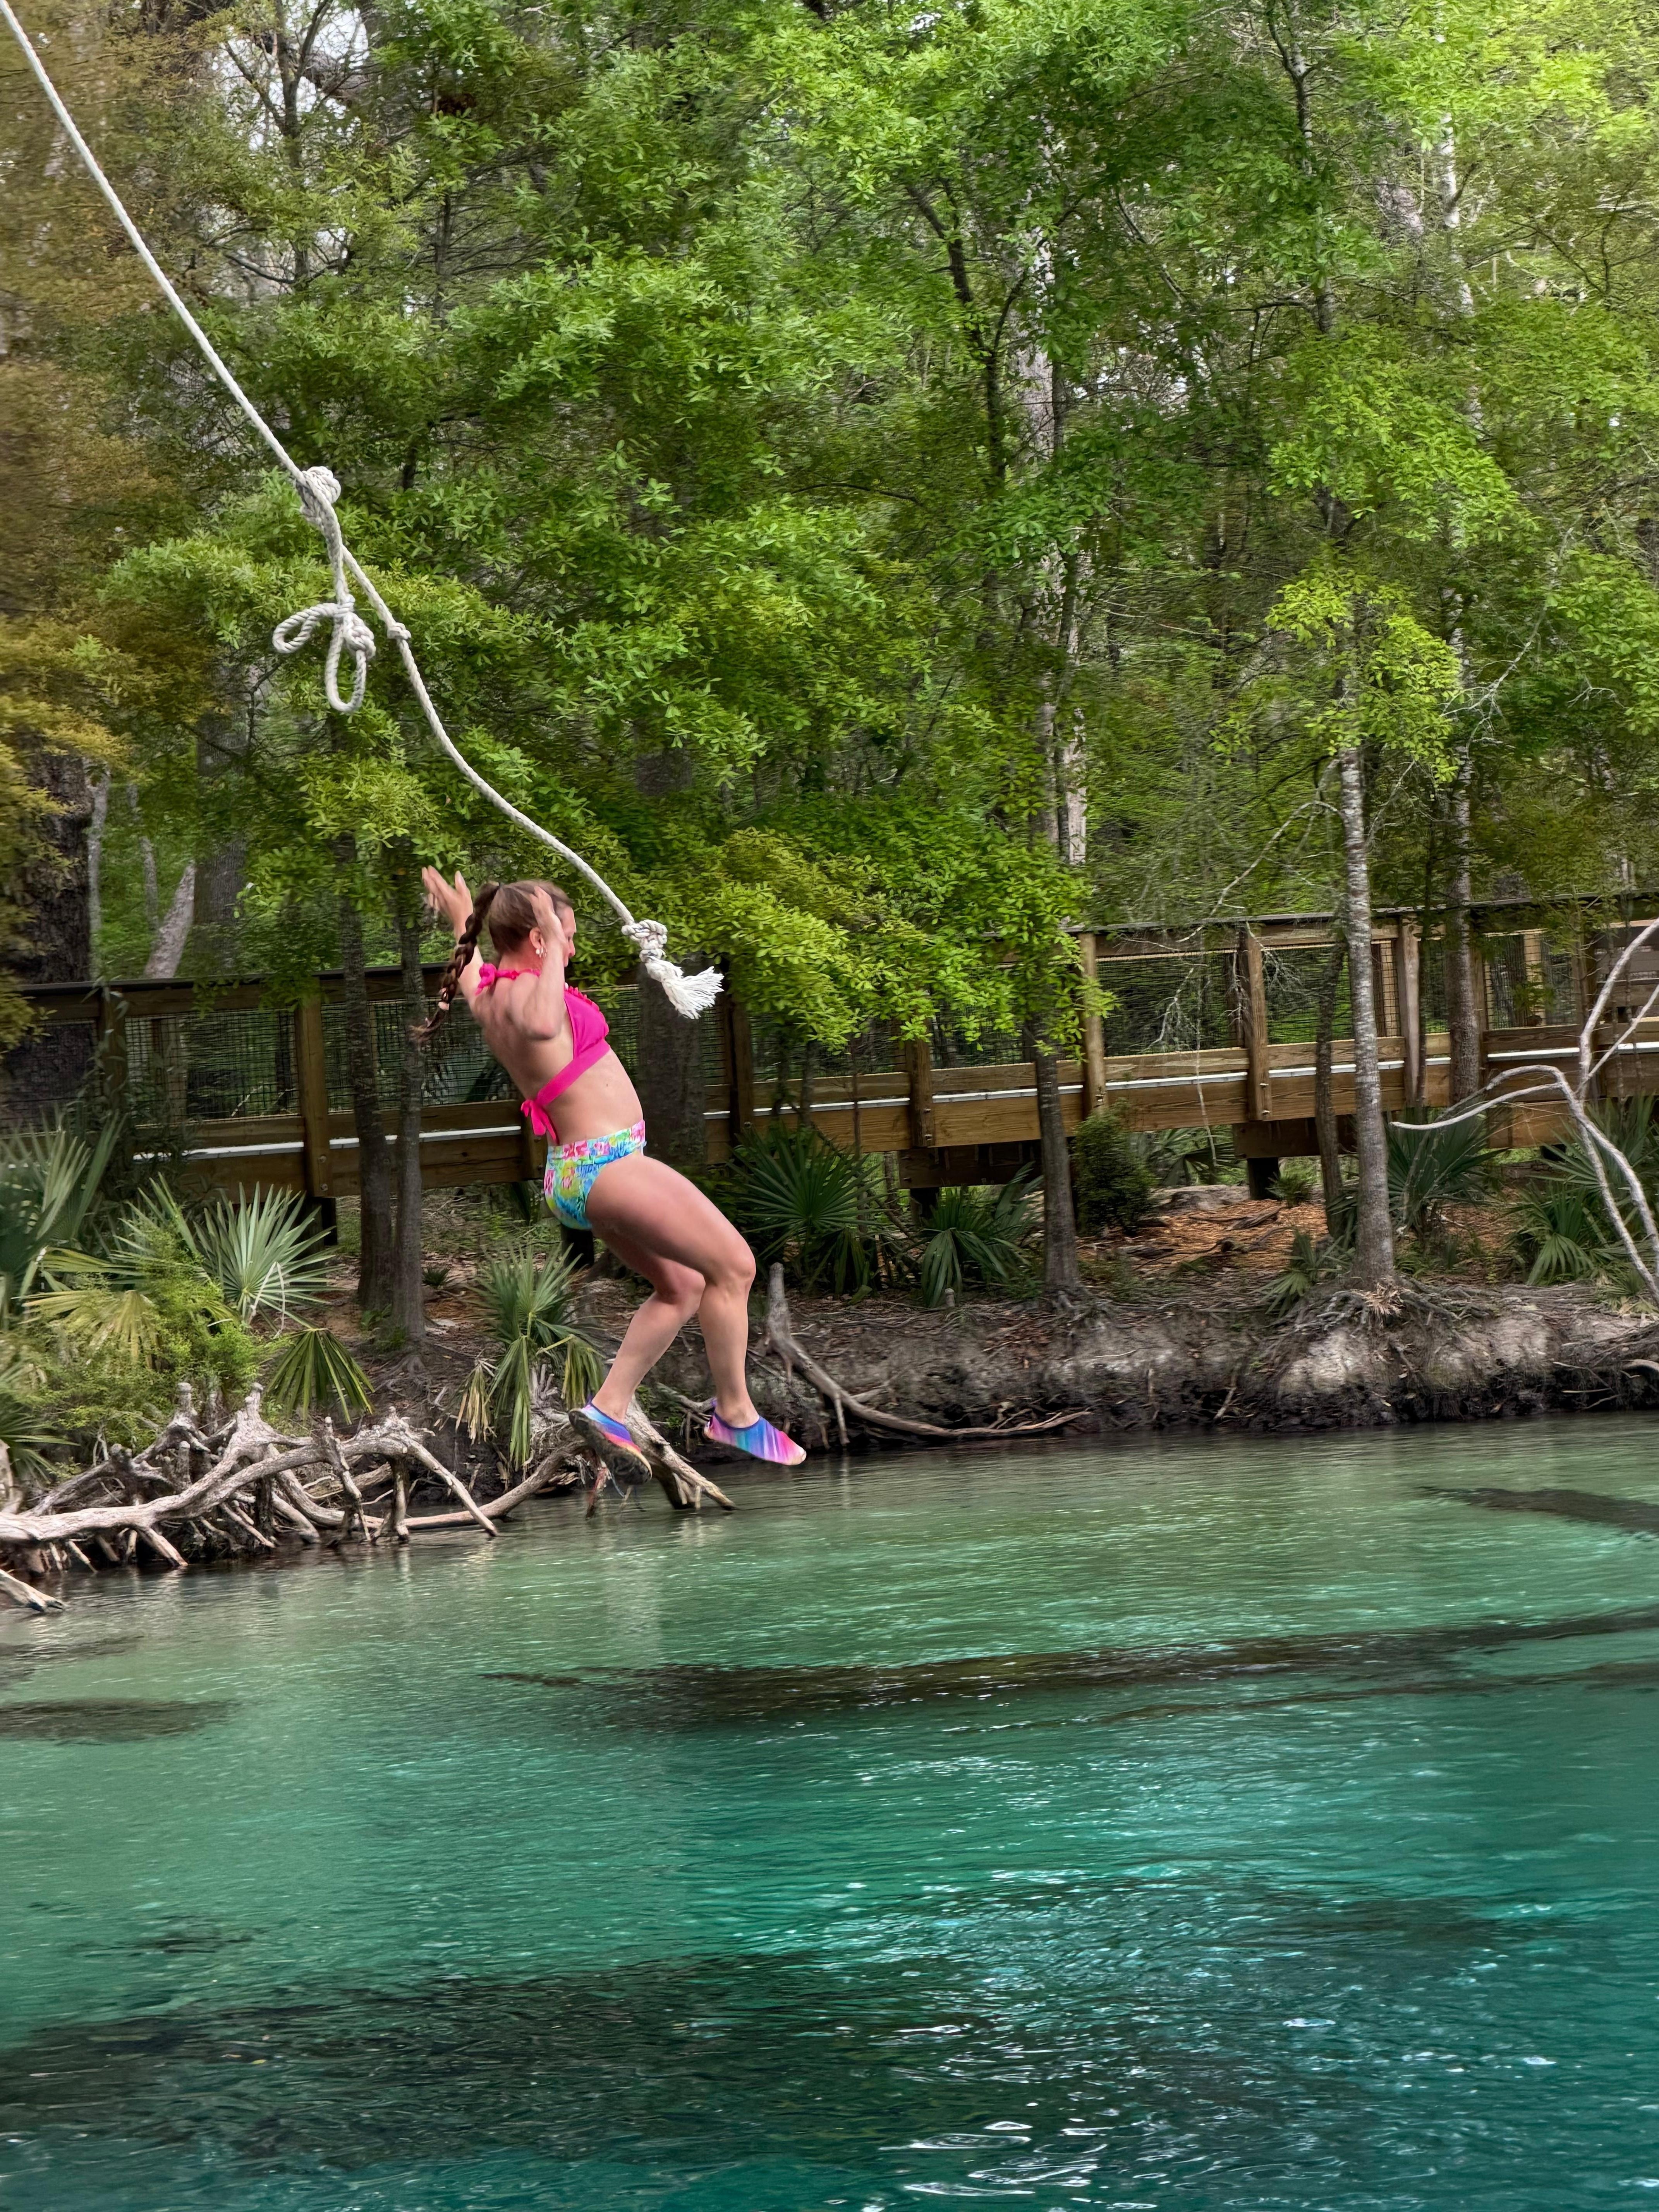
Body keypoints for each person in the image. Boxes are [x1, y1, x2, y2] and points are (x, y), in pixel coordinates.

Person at [418, 869, 805, 1469]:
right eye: (565, 937)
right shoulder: (525, 995)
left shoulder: (491, 990)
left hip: (580, 1174)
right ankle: (736, 1414)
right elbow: (546, 1024)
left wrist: (460, 917)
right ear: (541, 940)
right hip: (607, 1165)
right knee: (735, 1266)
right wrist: (547, 943)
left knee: (682, 1287)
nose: (572, 949)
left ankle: (610, 1406)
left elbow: (469, 972)